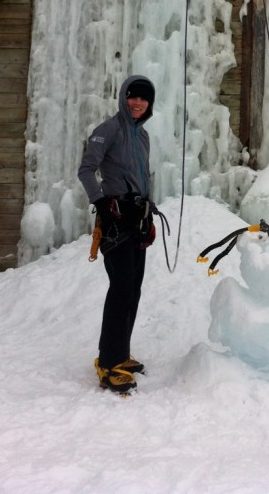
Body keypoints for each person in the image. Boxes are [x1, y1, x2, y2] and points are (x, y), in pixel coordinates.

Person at [78, 74, 157, 394]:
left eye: (143, 98)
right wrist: (101, 206)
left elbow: (143, 177)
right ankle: (109, 362)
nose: (137, 103)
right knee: (121, 286)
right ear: (123, 97)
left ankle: (120, 353)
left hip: (137, 217)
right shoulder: (108, 129)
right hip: (114, 217)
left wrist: (148, 210)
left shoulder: (143, 136)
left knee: (134, 287)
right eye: (132, 96)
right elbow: (86, 170)